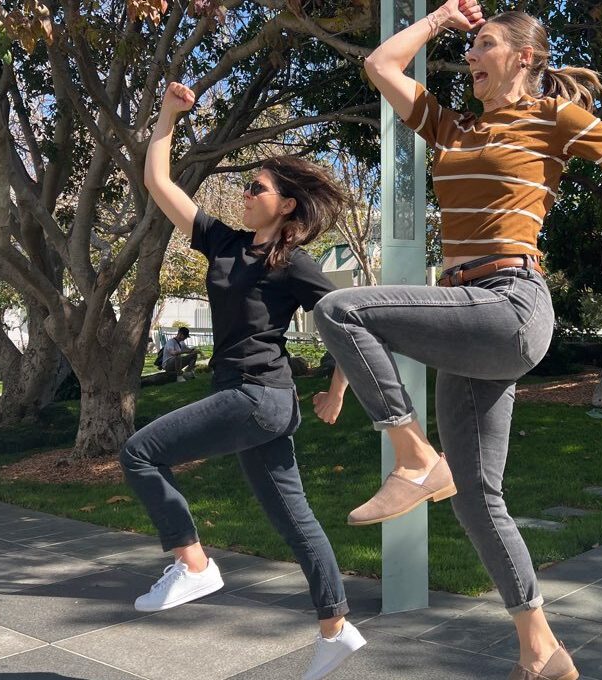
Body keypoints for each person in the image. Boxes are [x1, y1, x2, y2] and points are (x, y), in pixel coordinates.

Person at [311, 2, 602, 679]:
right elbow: (380, 64)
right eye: (468, 50)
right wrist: (441, 18)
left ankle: (413, 460)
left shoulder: (555, 120)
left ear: (526, 57)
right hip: (468, 313)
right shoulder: (455, 126)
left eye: (484, 46)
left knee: (341, 308)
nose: (469, 59)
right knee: (475, 497)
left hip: (511, 305)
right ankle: (540, 646)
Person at [120, 81, 366, 680]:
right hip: (253, 400)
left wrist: (336, 389)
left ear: (284, 205)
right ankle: (336, 628)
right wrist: (166, 119)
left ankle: (194, 563)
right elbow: (159, 185)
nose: (245, 193)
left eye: (256, 187)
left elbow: (349, 325)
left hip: (258, 397)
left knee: (139, 453)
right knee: (294, 518)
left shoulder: (293, 263)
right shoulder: (224, 242)